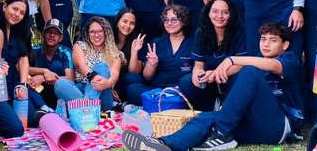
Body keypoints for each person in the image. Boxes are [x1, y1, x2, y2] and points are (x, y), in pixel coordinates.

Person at [122, 22, 303, 151]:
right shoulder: (257, 61)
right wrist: (213, 74)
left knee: (249, 73)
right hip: (253, 126)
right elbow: (236, 72)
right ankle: (162, 144)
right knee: (204, 118)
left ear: (285, 45)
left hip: (278, 127)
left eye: (273, 40)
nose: (266, 43)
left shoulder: (289, 59)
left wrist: (232, 59)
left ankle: (222, 133)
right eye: (263, 39)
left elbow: (272, 66)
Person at [178, 0, 246, 111]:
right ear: (208, 13)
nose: (219, 16)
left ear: (231, 15)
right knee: (186, 82)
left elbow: (241, 64)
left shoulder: (239, 32)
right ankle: (210, 109)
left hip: (230, 77)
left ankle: (228, 109)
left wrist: (215, 74)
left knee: (241, 79)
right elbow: (198, 65)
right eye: (215, 11)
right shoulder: (201, 32)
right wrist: (197, 74)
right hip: (209, 79)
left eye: (225, 12)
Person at [125, 5, 195, 105]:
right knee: (133, 89)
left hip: (180, 92)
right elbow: (147, 77)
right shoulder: (157, 43)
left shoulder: (192, 44)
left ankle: (161, 105)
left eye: (174, 20)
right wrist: (151, 65)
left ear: (184, 21)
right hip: (157, 91)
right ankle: (165, 105)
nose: (169, 23)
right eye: (166, 20)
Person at [55, 17, 122, 111]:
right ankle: (89, 108)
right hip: (81, 88)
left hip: (103, 93)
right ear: (87, 33)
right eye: (92, 32)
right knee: (60, 84)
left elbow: (114, 74)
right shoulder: (80, 46)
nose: (96, 35)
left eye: (100, 31)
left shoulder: (115, 54)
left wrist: (107, 83)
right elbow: (82, 66)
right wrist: (93, 76)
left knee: (101, 66)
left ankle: (86, 109)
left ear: (106, 32)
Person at [0, 0, 37, 123]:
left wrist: (22, 84)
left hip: (13, 82)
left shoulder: (21, 32)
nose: (17, 14)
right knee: (13, 123)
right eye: (15, 9)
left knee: (30, 119)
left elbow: (23, 58)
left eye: (22, 13)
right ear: (5, 7)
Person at [29, 19, 75, 108]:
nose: (52, 35)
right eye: (49, 32)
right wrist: (44, 71)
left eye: (56, 33)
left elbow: (70, 79)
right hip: (40, 95)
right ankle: (43, 109)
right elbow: (21, 68)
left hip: (59, 97)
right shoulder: (35, 51)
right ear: (43, 34)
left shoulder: (65, 52)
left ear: (61, 38)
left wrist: (43, 78)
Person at [112, 8, 140, 101]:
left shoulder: (136, 41)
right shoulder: (108, 37)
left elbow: (133, 71)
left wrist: (134, 51)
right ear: (117, 22)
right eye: (124, 21)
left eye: (132, 23)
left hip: (122, 81)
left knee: (133, 78)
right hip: (107, 78)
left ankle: (122, 102)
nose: (128, 26)